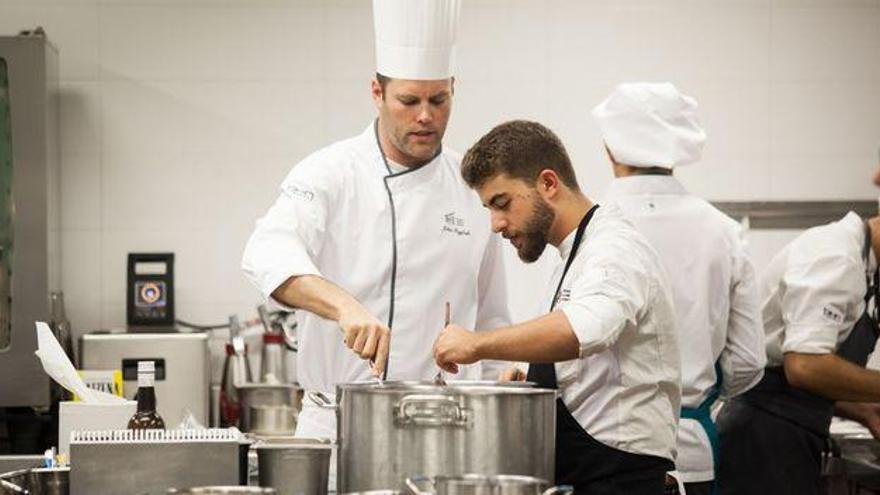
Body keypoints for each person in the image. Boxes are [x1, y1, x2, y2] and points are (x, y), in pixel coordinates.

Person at [241, 0, 511, 486]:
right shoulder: (330, 173)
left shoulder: (472, 190)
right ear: (377, 92)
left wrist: (506, 380)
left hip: (448, 438)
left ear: (454, 91)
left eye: (439, 100)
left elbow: (491, 321)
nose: (426, 117)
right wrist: (343, 306)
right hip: (339, 434)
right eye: (409, 101)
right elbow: (266, 251)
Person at [433, 119, 681, 494]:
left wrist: (475, 343)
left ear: (548, 184)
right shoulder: (569, 254)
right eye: (488, 208)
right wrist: (530, 377)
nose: (495, 225)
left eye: (502, 204)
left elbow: (582, 329)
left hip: (622, 482)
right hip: (585, 477)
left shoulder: (614, 249)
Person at [595, 82, 766, 495]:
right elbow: (748, 361)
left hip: (604, 450)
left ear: (610, 148)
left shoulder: (592, 226)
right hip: (690, 448)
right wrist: (697, 391)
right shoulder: (723, 231)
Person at [717, 205, 880, 494]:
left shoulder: (860, 263)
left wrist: (863, 410)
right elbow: (805, 366)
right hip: (764, 436)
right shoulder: (836, 257)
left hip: (784, 428)